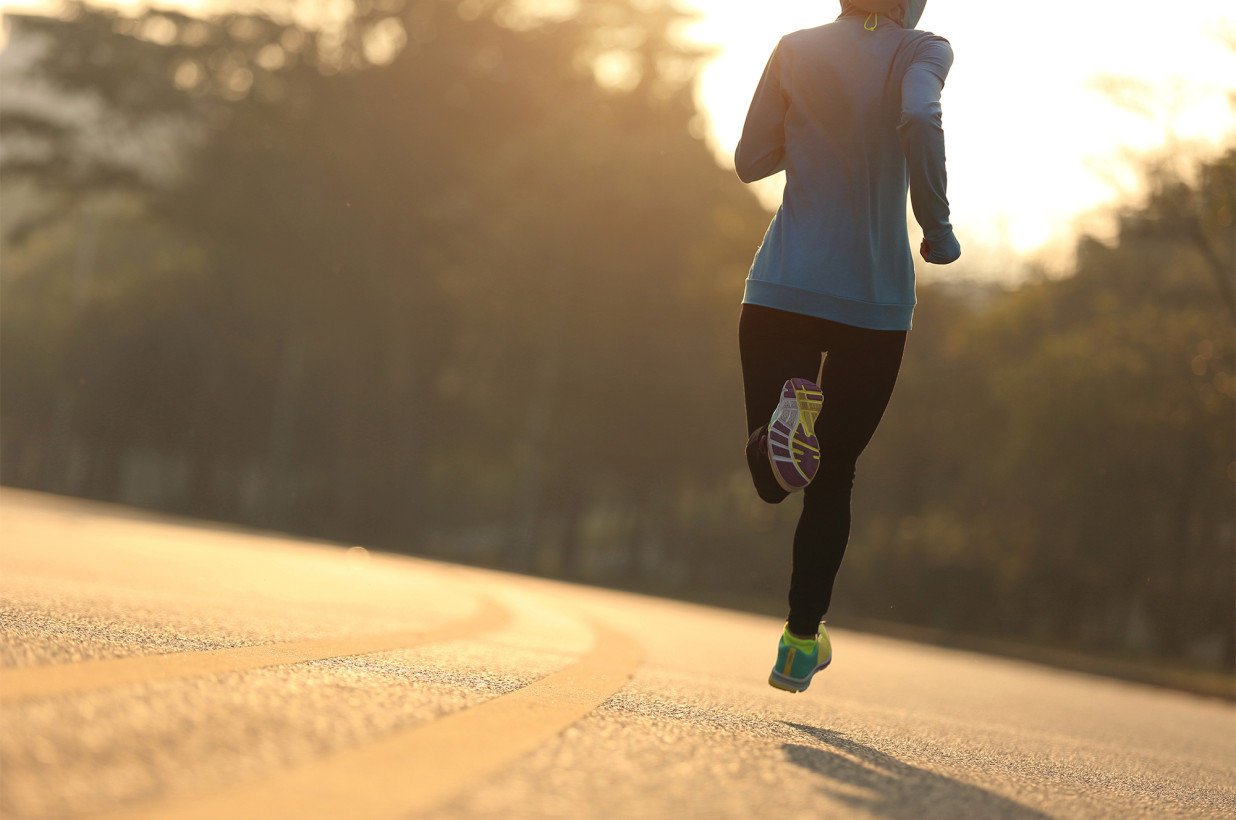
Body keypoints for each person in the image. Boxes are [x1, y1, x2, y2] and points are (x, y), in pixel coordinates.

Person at [735, 0, 959, 693]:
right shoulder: (922, 51)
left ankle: (781, 426)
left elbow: (750, 159)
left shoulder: (794, 46)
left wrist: (811, 139)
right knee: (832, 477)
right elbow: (919, 118)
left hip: (782, 289)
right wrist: (937, 222)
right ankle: (801, 643)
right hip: (874, 303)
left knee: (778, 481)